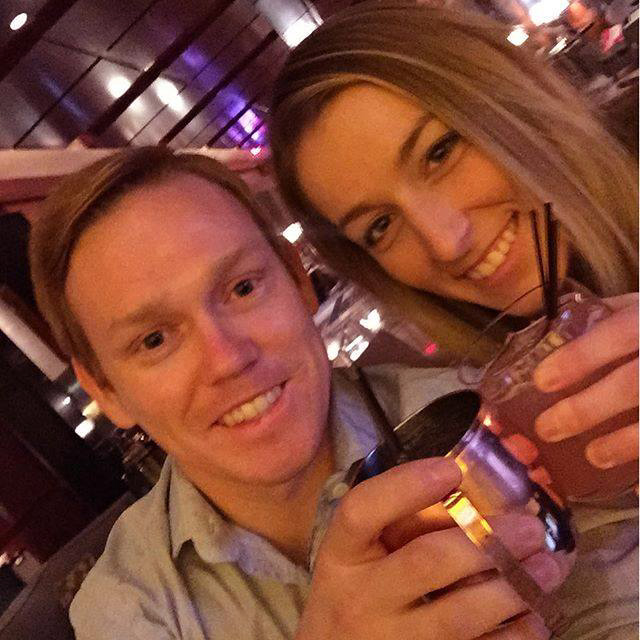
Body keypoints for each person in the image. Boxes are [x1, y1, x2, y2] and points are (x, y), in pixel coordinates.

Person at [29, 146, 576, 640]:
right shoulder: (126, 613)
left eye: (243, 287)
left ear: (297, 279)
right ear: (106, 390)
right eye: (154, 340)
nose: (228, 358)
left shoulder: (494, 419)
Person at [269, 1, 638, 483]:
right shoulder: (500, 424)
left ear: (506, 92)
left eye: (439, 153)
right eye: (380, 226)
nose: (446, 243)